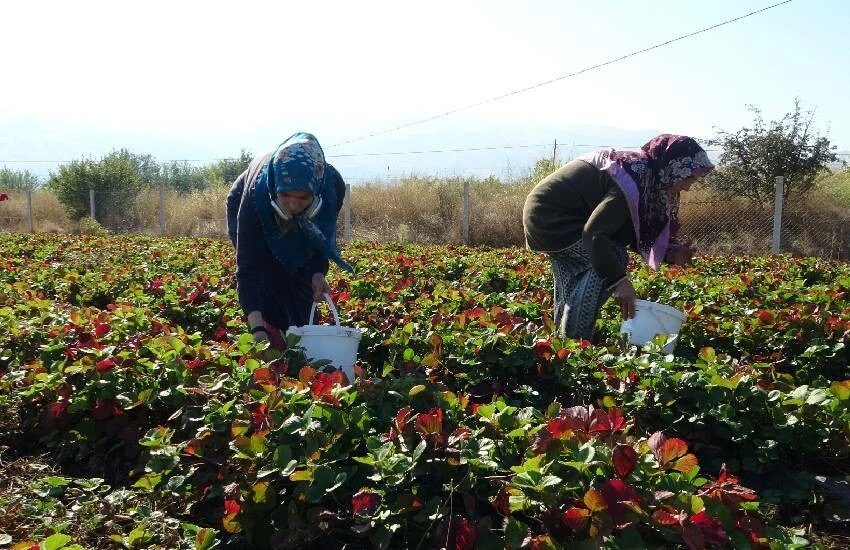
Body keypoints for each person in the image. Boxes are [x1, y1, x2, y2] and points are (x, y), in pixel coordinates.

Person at [522, 134, 714, 341]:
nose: (688, 186)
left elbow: (629, 230)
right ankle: (576, 343)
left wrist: (671, 253)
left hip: (544, 218)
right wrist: (619, 281)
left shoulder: (648, 177)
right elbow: (595, 233)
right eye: (689, 177)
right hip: (554, 218)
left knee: (577, 277)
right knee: (612, 257)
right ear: (674, 167)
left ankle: (560, 343)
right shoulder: (633, 178)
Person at [226, 132, 354, 348]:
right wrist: (257, 330)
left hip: (307, 215)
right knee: (268, 274)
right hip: (248, 200)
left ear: (315, 191)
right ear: (276, 189)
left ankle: (299, 339)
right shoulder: (255, 199)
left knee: (301, 280)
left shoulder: (331, 187)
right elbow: (248, 271)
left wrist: (317, 273)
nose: (293, 205)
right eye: (286, 196)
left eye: (303, 197)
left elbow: (319, 240)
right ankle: (270, 332)